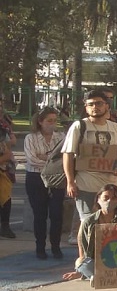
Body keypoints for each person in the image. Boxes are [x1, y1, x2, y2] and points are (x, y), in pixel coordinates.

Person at [62, 90, 117, 233]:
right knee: (88, 226)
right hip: (86, 186)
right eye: (90, 104)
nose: (95, 107)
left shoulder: (116, 128)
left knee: (108, 226)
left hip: (110, 188)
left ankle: (102, 256)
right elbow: (68, 154)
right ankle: (85, 255)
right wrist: (70, 181)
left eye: (99, 103)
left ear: (106, 106)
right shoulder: (79, 127)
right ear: (86, 107)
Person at [24, 106, 66, 256]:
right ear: (41, 121)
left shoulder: (61, 137)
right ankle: (40, 246)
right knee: (40, 214)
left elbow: (65, 158)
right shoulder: (31, 138)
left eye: (55, 121)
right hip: (36, 178)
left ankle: (56, 246)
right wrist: (51, 160)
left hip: (57, 179)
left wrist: (46, 157)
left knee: (56, 214)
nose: (52, 124)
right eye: (49, 121)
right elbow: (32, 159)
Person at [0, 103, 15, 239]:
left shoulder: (5, 125)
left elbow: (13, 140)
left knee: (5, 197)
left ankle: (5, 226)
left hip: (4, 168)